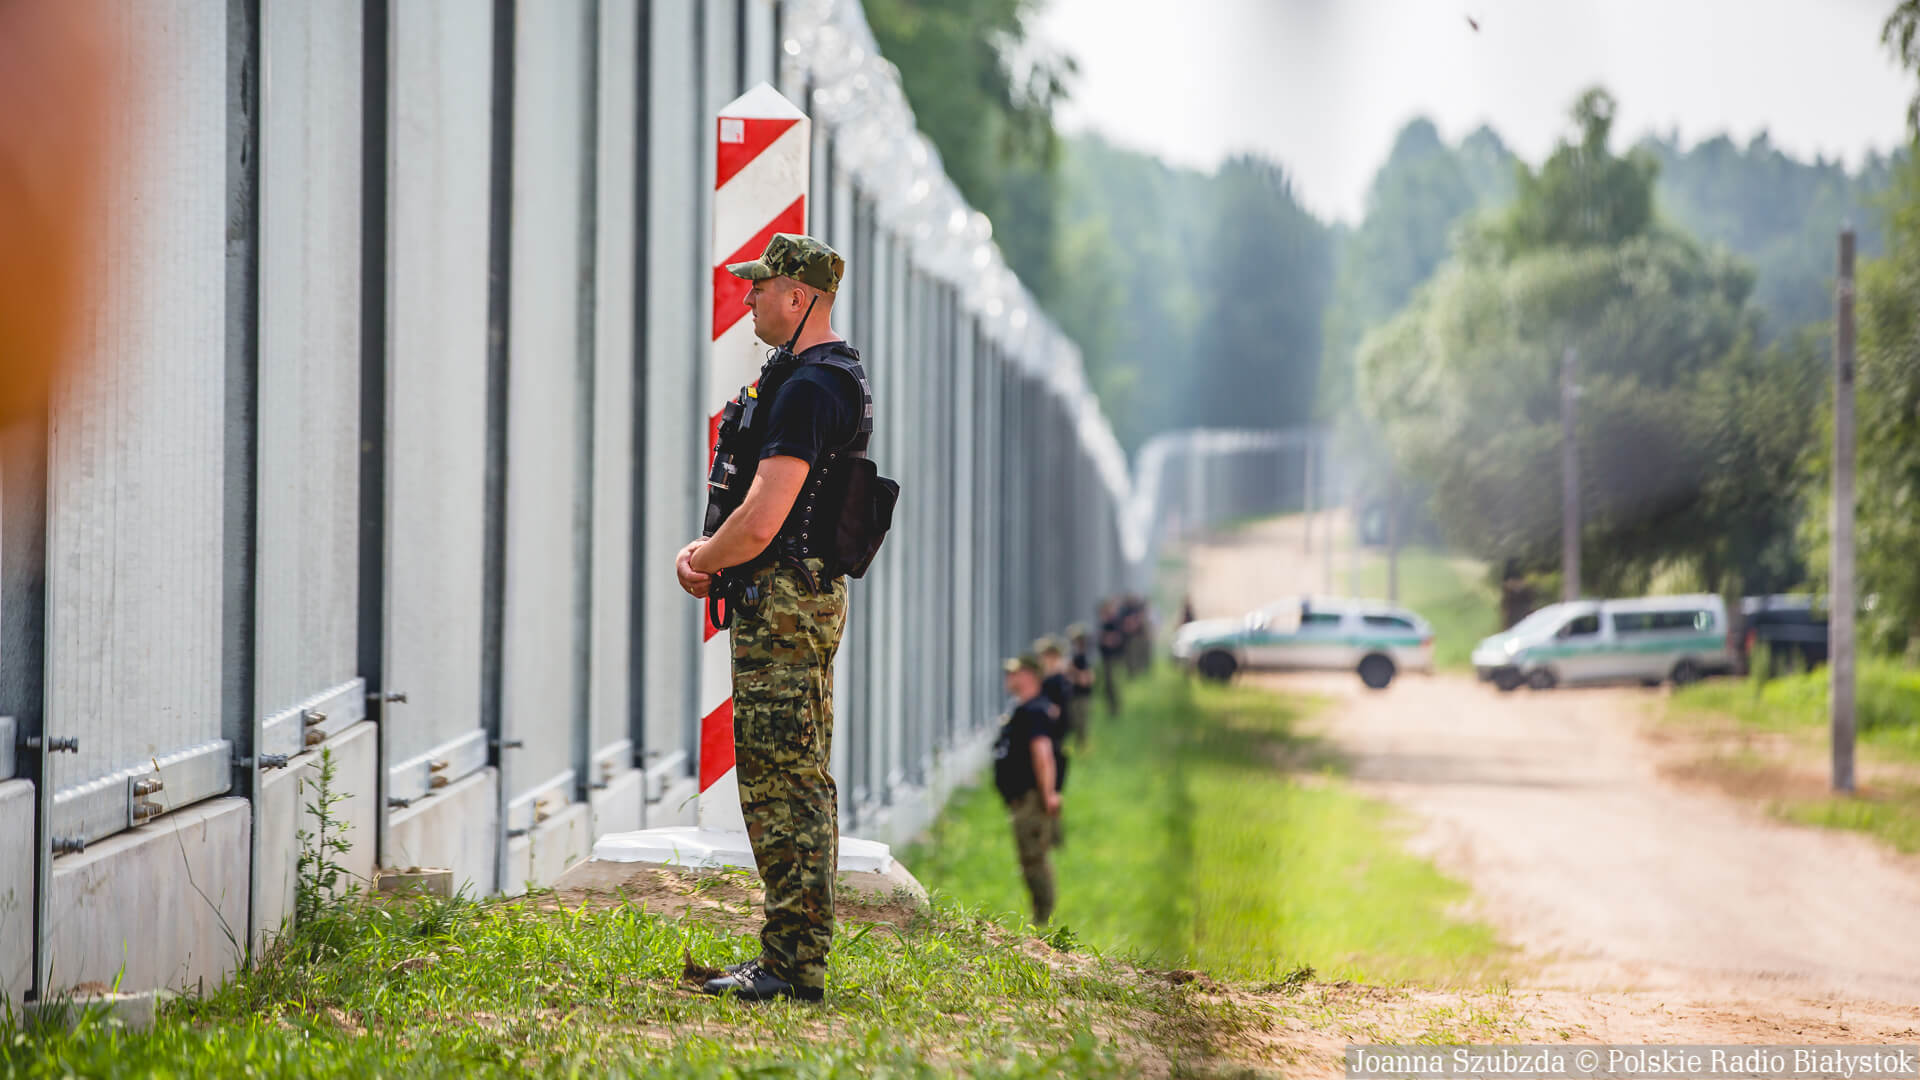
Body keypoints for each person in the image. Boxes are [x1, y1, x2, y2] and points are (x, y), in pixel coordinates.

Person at [675, 233, 867, 1003]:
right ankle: (789, 955)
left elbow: (762, 518)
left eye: (762, 288)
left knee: (783, 783)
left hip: (785, 604)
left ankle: (793, 967)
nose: (750, 297)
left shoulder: (812, 389)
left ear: (801, 298)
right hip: (791, 601)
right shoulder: (808, 378)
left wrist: (703, 558)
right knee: (789, 777)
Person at [992, 654, 1063, 925]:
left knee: (1035, 860)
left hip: (1032, 800)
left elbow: (1043, 755)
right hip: (1022, 799)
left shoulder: (1035, 711)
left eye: (1015, 673)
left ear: (1031, 676)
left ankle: (1043, 921)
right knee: (1030, 859)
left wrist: (1047, 796)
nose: (1009, 678)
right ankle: (1041, 918)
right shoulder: (1026, 709)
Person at [1065, 624, 1095, 749]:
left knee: (1081, 723)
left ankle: (1082, 746)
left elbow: (1086, 679)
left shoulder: (1082, 658)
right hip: (1075, 694)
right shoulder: (1075, 657)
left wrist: (1073, 672)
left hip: (1082, 695)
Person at [1097, 598, 1126, 714]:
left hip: (1114, 659)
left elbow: (1116, 639)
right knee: (1108, 686)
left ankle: (1116, 709)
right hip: (1106, 659)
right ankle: (1111, 708)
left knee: (1114, 685)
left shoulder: (1115, 623)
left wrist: (1107, 639)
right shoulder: (1104, 624)